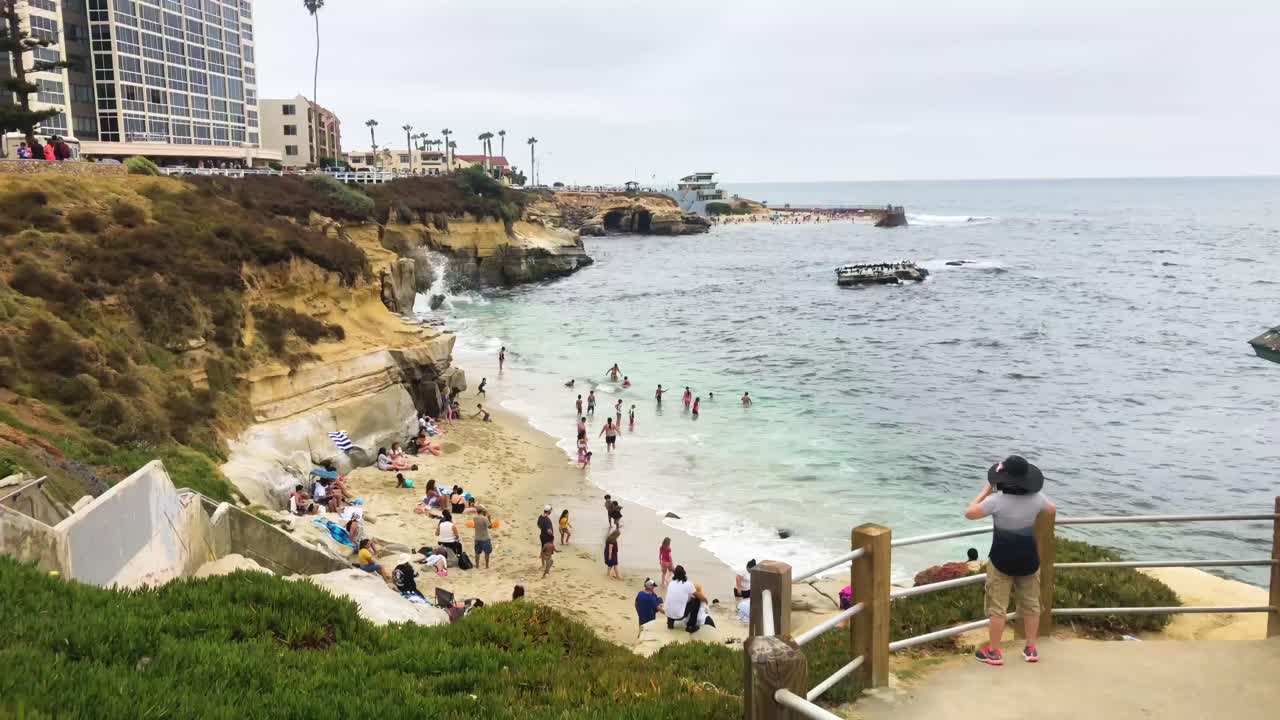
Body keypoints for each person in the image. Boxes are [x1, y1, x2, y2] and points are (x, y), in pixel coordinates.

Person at [964, 455, 1055, 666]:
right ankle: (1031, 648)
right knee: (1031, 605)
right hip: (1028, 559)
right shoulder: (1037, 499)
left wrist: (986, 490)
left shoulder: (996, 501)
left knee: (997, 608)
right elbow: (1051, 509)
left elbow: (969, 513)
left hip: (1001, 559)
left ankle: (994, 652)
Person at [664, 565, 695, 629]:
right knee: (696, 600)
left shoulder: (671, 583)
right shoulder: (688, 584)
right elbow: (696, 595)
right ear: (684, 573)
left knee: (672, 600)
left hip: (667, 613)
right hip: (679, 616)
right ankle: (691, 625)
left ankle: (670, 624)